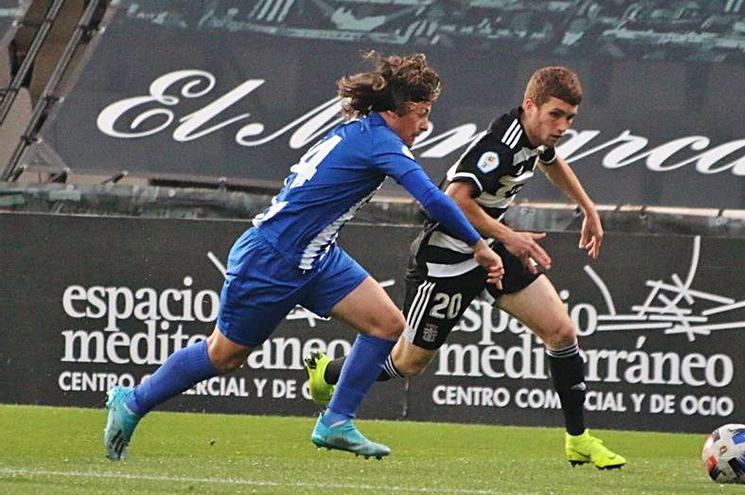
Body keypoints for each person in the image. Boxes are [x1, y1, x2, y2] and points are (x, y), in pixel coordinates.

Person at [103, 51, 504, 462]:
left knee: (386, 325)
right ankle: (132, 401)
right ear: (395, 110)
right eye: (420, 113)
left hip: (316, 256)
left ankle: (335, 423)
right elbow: (432, 199)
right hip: (271, 257)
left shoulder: (362, 132)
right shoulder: (380, 141)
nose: (424, 124)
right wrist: (478, 244)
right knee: (224, 356)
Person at [305, 66, 627, 469]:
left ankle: (578, 439)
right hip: (447, 258)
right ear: (531, 106)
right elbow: (455, 198)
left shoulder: (533, 136)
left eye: (569, 119)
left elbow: (550, 160)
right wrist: (509, 237)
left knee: (561, 331)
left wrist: (587, 206)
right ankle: (330, 374)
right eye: (556, 115)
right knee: (408, 362)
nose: (562, 126)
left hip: (492, 246)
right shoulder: (500, 145)